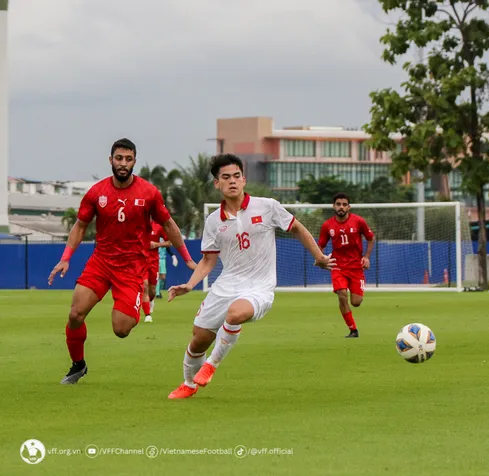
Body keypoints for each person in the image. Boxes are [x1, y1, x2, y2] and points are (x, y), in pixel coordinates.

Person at [166, 154, 335, 399]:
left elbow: (296, 227)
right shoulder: (214, 221)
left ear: (244, 180)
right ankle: (188, 384)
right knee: (198, 339)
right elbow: (208, 260)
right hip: (226, 285)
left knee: (236, 313)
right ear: (217, 184)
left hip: (259, 287)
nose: (232, 181)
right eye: (226, 177)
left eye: (236, 176)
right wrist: (190, 285)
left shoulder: (267, 206)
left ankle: (211, 365)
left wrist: (319, 256)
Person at [48, 138, 197, 384]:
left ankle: (132, 304)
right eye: (119, 158)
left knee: (121, 329)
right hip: (101, 263)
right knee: (75, 314)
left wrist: (187, 259)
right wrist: (66, 258)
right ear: (111, 160)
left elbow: (169, 224)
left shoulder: (149, 192)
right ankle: (78, 365)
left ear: (134, 162)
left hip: (130, 267)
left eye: (128, 159)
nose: (123, 163)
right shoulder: (97, 192)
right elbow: (80, 225)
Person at [318, 193, 375, 338]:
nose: (341, 207)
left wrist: (366, 257)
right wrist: (320, 259)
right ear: (334, 206)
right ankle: (353, 330)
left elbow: (370, 238)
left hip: (356, 267)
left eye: (344, 204)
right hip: (338, 266)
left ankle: (352, 324)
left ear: (348, 207)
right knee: (342, 294)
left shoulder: (358, 221)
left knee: (356, 302)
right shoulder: (327, 225)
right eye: (338, 204)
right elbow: (320, 246)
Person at [142, 219, 173, 323]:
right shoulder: (137, 224)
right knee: (144, 286)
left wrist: (156, 244)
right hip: (140, 261)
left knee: (152, 290)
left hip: (153, 262)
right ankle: (147, 315)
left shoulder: (158, 226)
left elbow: (170, 242)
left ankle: (151, 300)